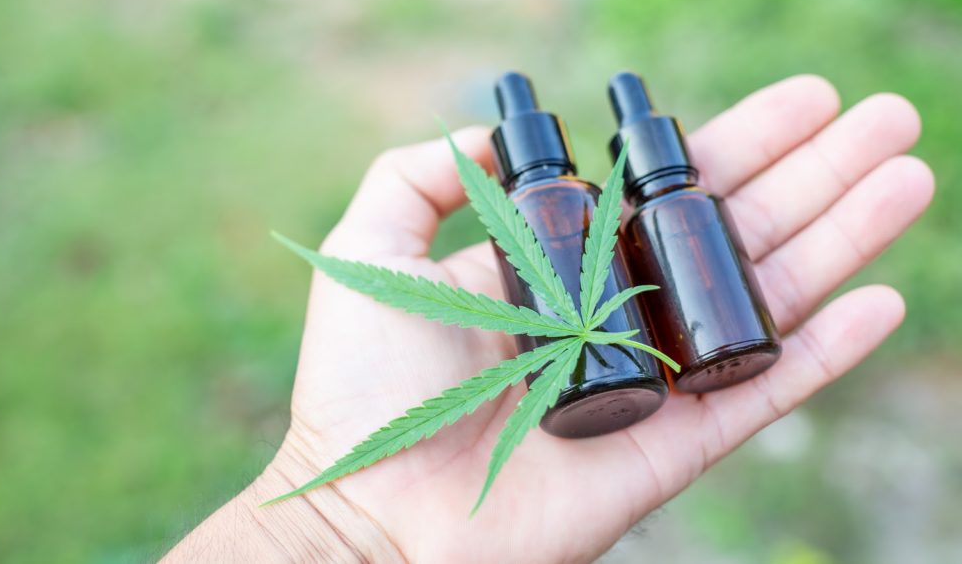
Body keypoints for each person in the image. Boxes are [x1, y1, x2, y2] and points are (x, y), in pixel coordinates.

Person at [164, 75, 933, 562]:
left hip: (626, 370)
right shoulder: (567, 201)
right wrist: (335, 525)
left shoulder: (600, 202)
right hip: (585, 391)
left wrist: (334, 534)